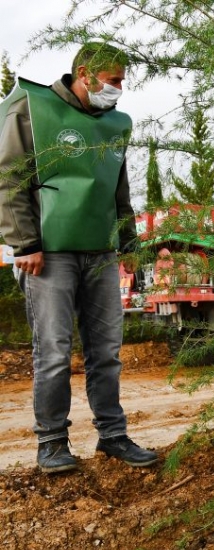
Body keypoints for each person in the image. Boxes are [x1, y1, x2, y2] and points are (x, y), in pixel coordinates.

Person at [0, 42, 158, 473]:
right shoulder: (30, 107)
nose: (120, 90)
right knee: (53, 351)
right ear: (85, 74)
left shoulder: (113, 125)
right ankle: (51, 442)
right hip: (49, 256)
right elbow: (9, 177)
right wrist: (25, 243)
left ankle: (112, 436)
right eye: (114, 81)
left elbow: (117, 189)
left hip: (101, 253)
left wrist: (128, 244)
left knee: (106, 352)